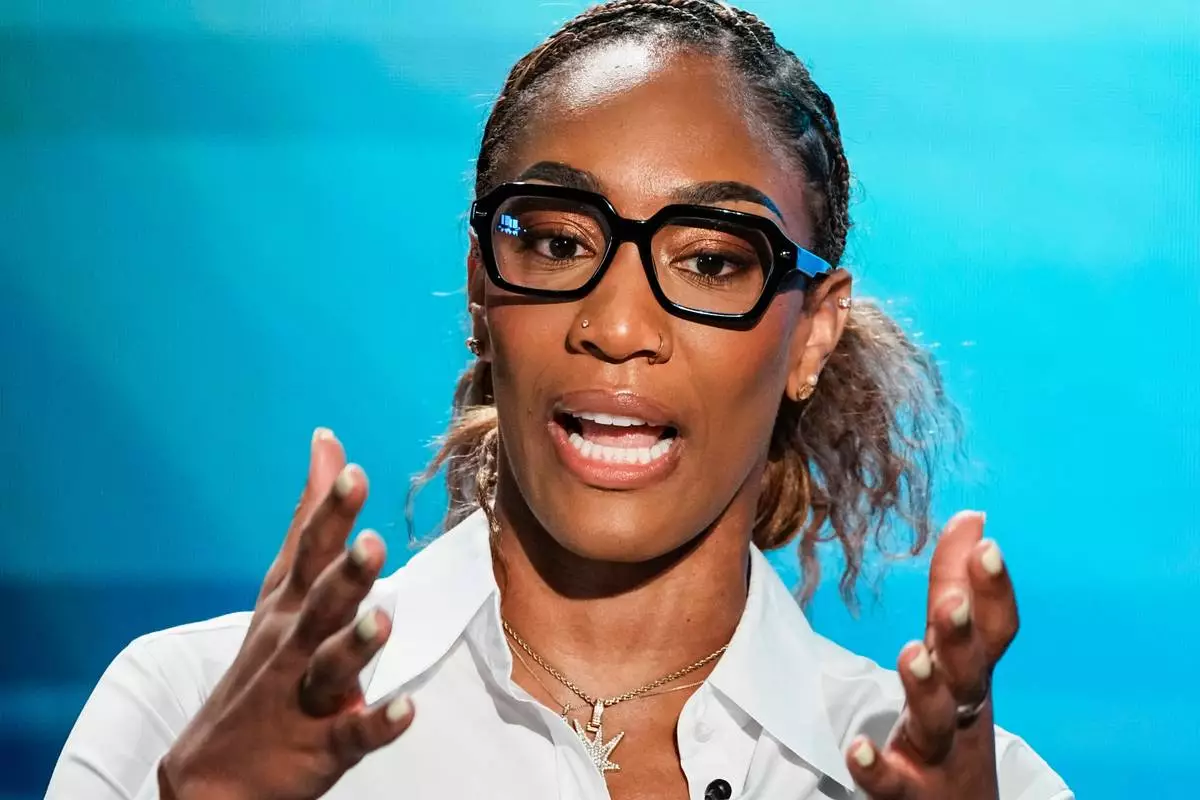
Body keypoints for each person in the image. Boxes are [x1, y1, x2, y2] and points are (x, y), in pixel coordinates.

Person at [46, 1, 1074, 798]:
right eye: (557, 242)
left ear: (810, 332)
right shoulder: (185, 709)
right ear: (481, 290)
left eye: (712, 260)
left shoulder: (969, 782)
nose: (618, 324)